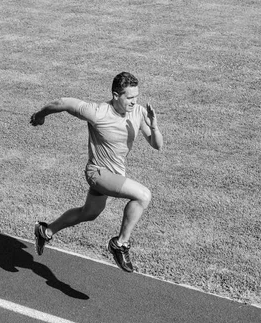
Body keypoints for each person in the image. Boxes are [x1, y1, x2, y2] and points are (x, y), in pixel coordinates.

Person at [29, 72, 164, 272]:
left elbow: (157, 145)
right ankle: (120, 244)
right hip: (98, 173)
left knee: (89, 213)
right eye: (129, 98)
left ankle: (45, 231)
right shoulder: (98, 112)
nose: (134, 102)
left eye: (136, 97)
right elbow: (63, 102)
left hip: (116, 176)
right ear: (116, 95)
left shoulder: (138, 112)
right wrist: (41, 115)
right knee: (143, 196)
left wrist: (153, 124)